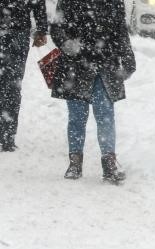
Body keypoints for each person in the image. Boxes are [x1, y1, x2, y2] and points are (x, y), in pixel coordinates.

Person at [49, 0, 135, 183]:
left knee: (105, 115)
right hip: (75, 66)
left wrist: (128, 59)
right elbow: (56, 28)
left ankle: (109, 163)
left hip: (104, 64)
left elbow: (120, 31)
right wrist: (66, 43)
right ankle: (75, 162)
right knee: (77, 117)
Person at [0, 0, 47, 151]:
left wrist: (42, 28)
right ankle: (7, 136)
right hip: (18, 31)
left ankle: (7, 135)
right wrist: (41, 28)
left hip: (17, 31)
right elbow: (38, 3)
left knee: (11, 87)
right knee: (12, 87)